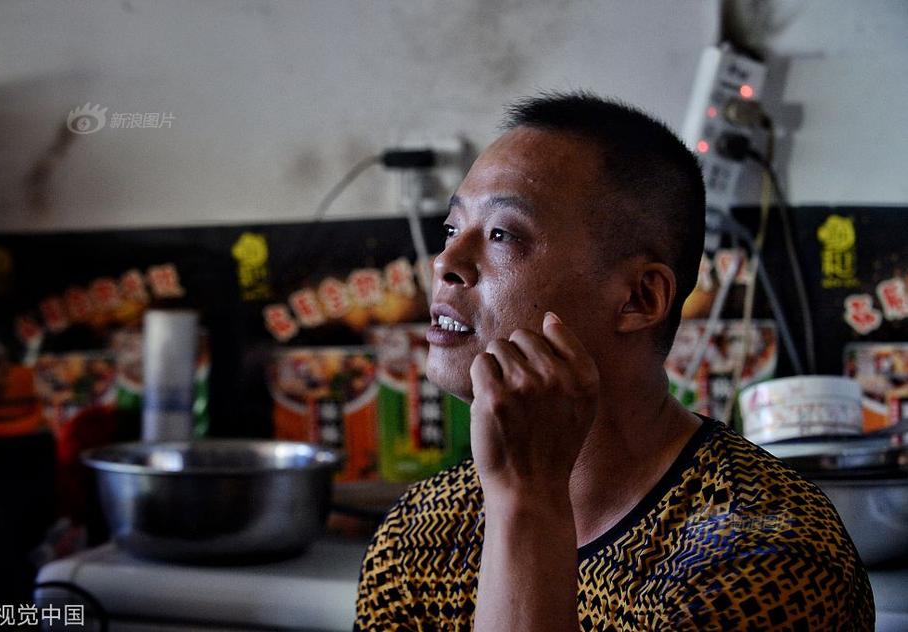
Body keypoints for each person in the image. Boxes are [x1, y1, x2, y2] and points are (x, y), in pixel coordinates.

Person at [354, 91, 874, 631]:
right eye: (452, 229)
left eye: (502, 234)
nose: (446, 263)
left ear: (639, 299)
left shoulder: (765, 558)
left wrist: (526, 501)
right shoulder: (423, 532)